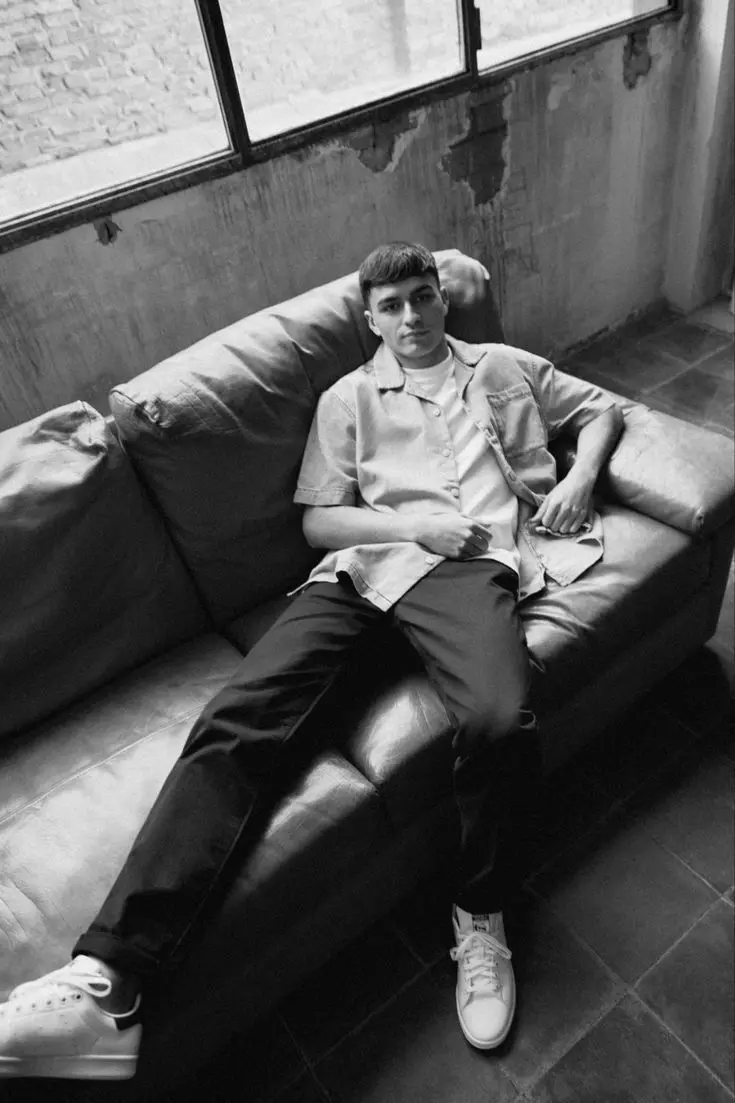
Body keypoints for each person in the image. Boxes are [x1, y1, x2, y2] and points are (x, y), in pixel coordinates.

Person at [0, 242, 623, 1080]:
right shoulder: (347, 398)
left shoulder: (503, 366)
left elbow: (599, 410)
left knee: (498, 721)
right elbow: (319, 523)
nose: (410, 315)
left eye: (422, 296)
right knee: (237, 720)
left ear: (443, 299)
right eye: (391, 305)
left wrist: (577, 479)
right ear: (370, 319)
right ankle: (108, 986)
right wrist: (413, 525)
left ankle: (480, 916)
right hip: (363, 573)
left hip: (471, 570)